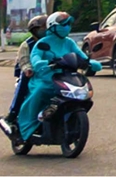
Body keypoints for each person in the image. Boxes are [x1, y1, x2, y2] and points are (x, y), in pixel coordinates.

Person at [16, 12, 101, 142]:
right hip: (45, 78)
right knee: (40, 91)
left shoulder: (69, 43)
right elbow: (36, 57)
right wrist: (40, 63)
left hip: (65, 76)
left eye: (69, 24)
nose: (67, 27)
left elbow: (80, 55)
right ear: (53, 26)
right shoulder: (43, 43)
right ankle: (28, 125)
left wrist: (90, 63)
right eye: (64, 24)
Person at [2, 14, 47, 129]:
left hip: (46, 72)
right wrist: (27, 69)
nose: (44, 31)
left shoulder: (52, 42)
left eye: (46, 28)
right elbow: (24, 60)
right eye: (42, 28)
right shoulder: (27, 44)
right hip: (30, 73)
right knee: (23, 86)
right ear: (34, 31)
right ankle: (13, 113)